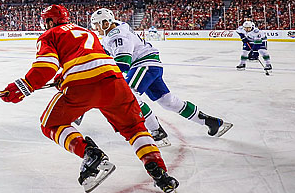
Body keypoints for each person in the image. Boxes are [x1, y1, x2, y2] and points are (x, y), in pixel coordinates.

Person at [0, 5, 179, 193]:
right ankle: (159, 172)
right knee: (135, 128)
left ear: (50, 21)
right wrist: (64, 73)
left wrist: (21, 87)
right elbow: (91, 57)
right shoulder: (85, 31)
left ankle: (89, 153)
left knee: (50, 123)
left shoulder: (50, 34)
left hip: (81, 84)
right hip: (114, 80)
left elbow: (45, 67)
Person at [91, 8, 232, 144]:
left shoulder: (117, 35)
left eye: (97, 24)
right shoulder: (117, 28)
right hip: (151, 65)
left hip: (143, 65)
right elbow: (107, 52)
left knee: (128, 94)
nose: (95, 27)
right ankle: (212, 122)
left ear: (106, 23)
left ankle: (157, 132)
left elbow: (122, 64)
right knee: (168, 101)